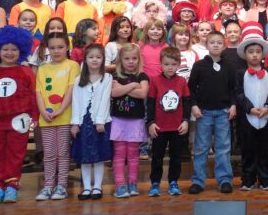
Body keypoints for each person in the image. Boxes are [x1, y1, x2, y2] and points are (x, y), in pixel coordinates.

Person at [0, 27, 37, 204]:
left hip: (19, 119)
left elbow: (33, 95)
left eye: (14, 49)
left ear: (21, 51)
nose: (9, 53)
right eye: (5, 49)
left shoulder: (25, 72)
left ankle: (12, 185)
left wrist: (34, 116)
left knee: (16, 153)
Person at [188, 32, 237, 194]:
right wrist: (194, 105)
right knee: (201, 147)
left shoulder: (229, 66)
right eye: (212, 42)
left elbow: (233, 89)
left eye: (219, 43)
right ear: (207, 45)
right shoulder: (199, 66)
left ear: (224, 46)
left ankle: (224, 180)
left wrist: (233, 105)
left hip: (223, 112)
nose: (215, 45)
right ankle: (198, 180)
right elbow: (191, 89)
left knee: (223, 147)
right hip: (204, 113)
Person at [34, 32, 78, 201]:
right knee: (49, 154)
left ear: (67, 47)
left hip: (65, 117)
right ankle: (48, 186)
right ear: (47, 49)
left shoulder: (73, 65)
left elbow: (71, 89)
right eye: (52, 48)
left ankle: (62, 186)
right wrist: (42, 111)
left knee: (63, 153)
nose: (56, 51)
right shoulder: (43, 68)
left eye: (60, 47)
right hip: (46, 118)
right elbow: (38, 92)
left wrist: (60, 110)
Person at [235, 23, 268, 191]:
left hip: (265, 116)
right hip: (247, 117)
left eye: (258, 52)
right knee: (248, 149)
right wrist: (249, 108)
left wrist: (267, 106)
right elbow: (239, 93)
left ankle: (265, 179)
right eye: (251, 52)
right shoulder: (240, 73)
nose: (254, 55)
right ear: (245, 55)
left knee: (264, 149)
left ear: (262, 54)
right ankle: (248, 179)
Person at [146, 47, 191, 197]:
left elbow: (186, 102)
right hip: (159, 127)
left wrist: (186, 121)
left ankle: (173, 182)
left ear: (178, 65)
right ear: (160, 64)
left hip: (177, 127)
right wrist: (150, 122)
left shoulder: (182, 81)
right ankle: (155, 183)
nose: (170, 67)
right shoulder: (154, 81)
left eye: (173, 64)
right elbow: (150, 103)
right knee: (157, 157)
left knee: (176, 157)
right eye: (166, 64)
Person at [70, 44, 113, 200]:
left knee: (98, 156)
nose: (94, 60)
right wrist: (75, 123)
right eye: (91, 57)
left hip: (100, 122)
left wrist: (100, 121)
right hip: (83, 122)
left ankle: (97, 187)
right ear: (85, 59)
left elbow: (105, 101)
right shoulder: (78, 80)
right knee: (85, 156)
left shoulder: (107, 78)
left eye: (98, 57)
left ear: (103, 59)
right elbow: (76, 102)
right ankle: (87, 187)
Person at [109, 43, 149, 198]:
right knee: (119, 154)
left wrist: (123, 88)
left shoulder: (142, 76)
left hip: (136, 121)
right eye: (127, 59)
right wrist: (133, 85)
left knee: (133, 155)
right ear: (121, 60)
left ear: (139, 60)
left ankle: (132, 183)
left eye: (134, 58)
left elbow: (143, 94)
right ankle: (120, 185)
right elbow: (114, 93)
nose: (131, 61)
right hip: (118, 120)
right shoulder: (115, 76)